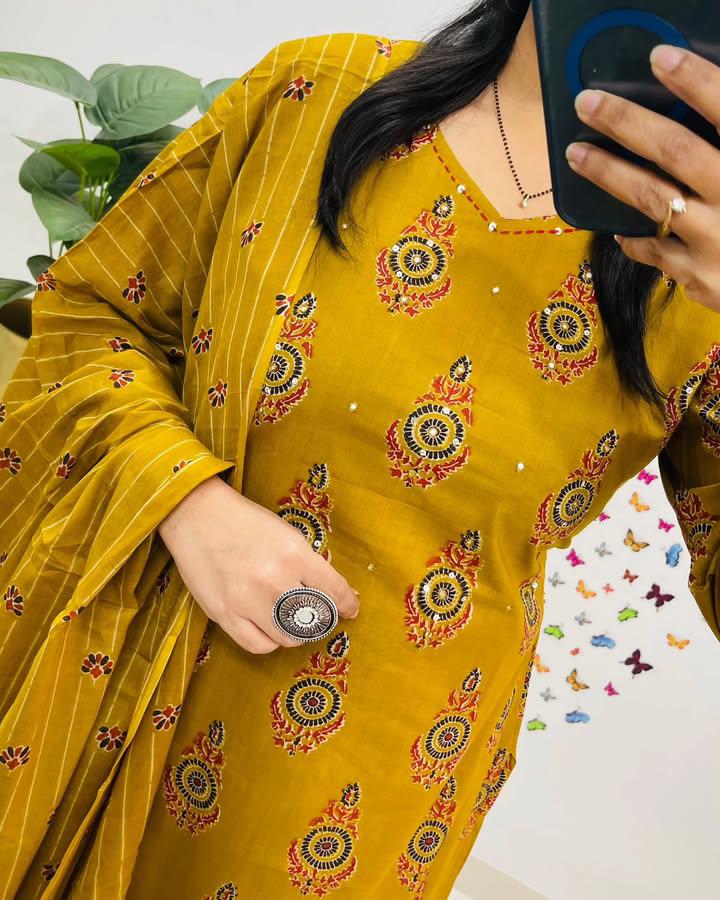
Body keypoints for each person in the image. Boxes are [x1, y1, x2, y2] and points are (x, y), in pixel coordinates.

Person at [1, 1, 719, 897]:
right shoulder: (317, 93)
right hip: (100, 670)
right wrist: (184, 497)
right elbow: (94, 312)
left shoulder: (701, 270)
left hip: (358, 787)